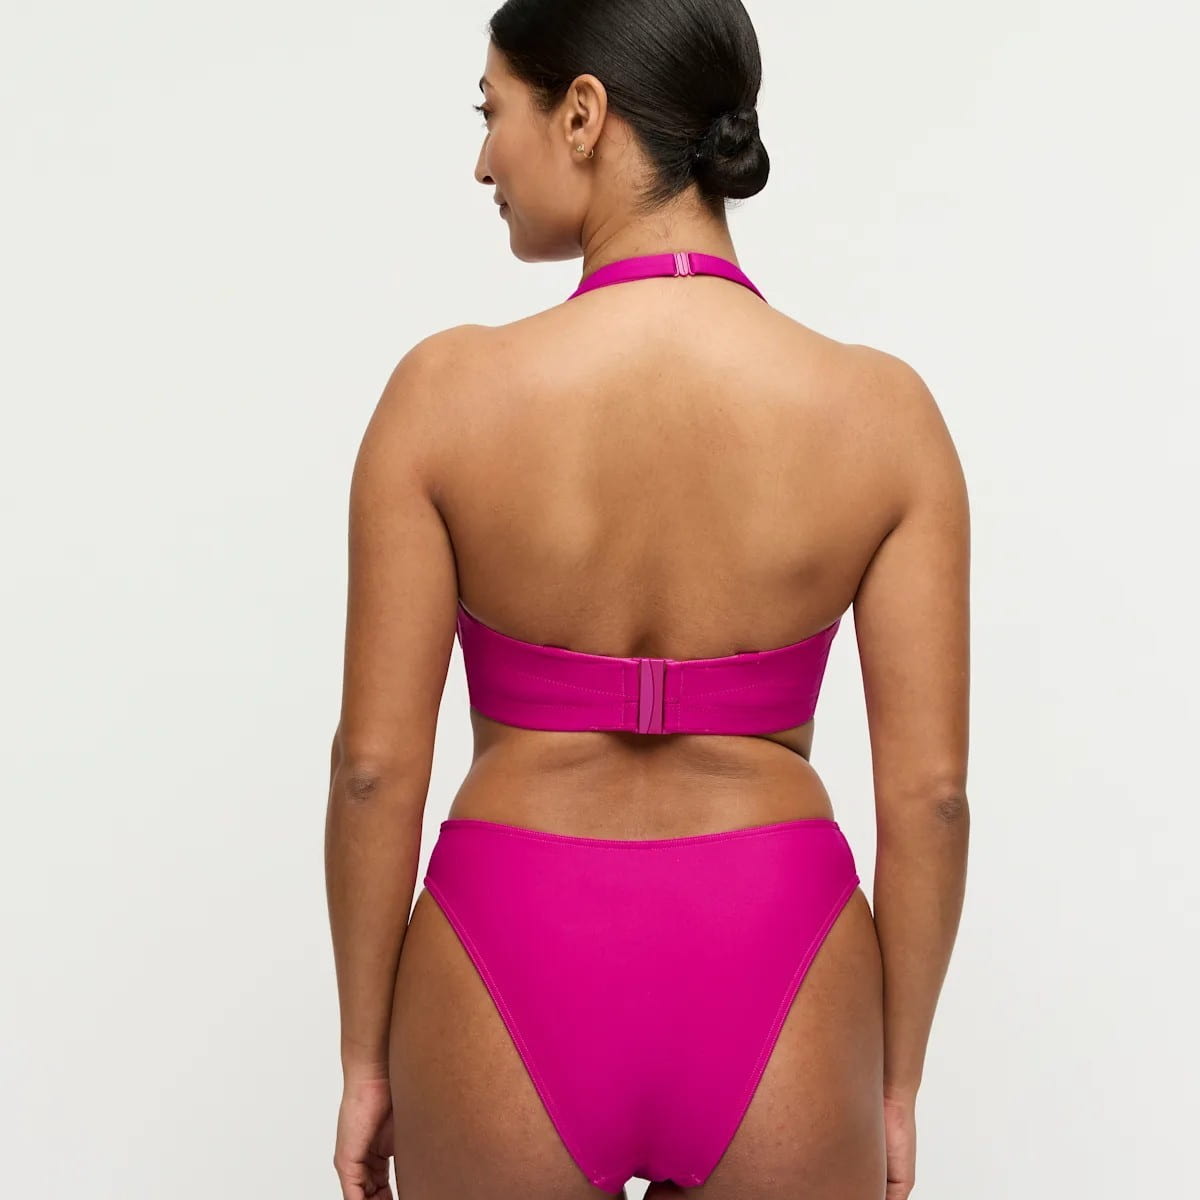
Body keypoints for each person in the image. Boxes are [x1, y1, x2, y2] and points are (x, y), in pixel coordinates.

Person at [325, 1, 970, 1197]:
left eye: (492, 111)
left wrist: (367, 1060)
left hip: (511, 943)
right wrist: (893, 1083)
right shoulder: (883, 415)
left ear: (582, 114)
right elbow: (930, 802)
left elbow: (373, 769)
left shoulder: (443, 395)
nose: (483, 161)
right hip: (775, 950)